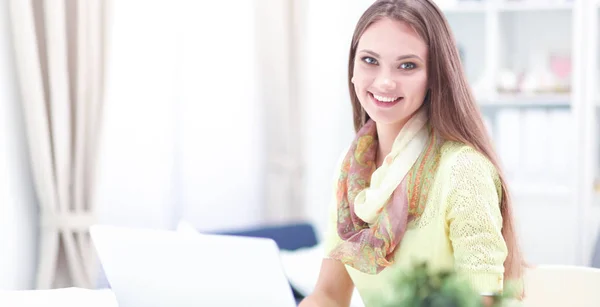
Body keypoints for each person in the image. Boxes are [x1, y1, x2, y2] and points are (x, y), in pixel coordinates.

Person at [299, 0, 525, 306]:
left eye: (408, 65)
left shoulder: (462, 169)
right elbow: (329, 294)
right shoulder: (353, 170)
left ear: (434, 76)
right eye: (369, 60)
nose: (385, 81)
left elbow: (479, 302)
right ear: (352, 68)